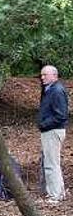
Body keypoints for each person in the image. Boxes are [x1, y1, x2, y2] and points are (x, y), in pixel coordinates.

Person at [38, 65, 68, 203]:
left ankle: (54, 196)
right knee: (52, 162)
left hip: (53, 131)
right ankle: (58, 193)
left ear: (54, 76)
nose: (42, 77)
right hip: (50, 131)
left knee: (51, 164)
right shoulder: (49, 90)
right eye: (41, 75)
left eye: (45, 75)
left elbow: (61, 115)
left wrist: (44, 124)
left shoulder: (56, 90)